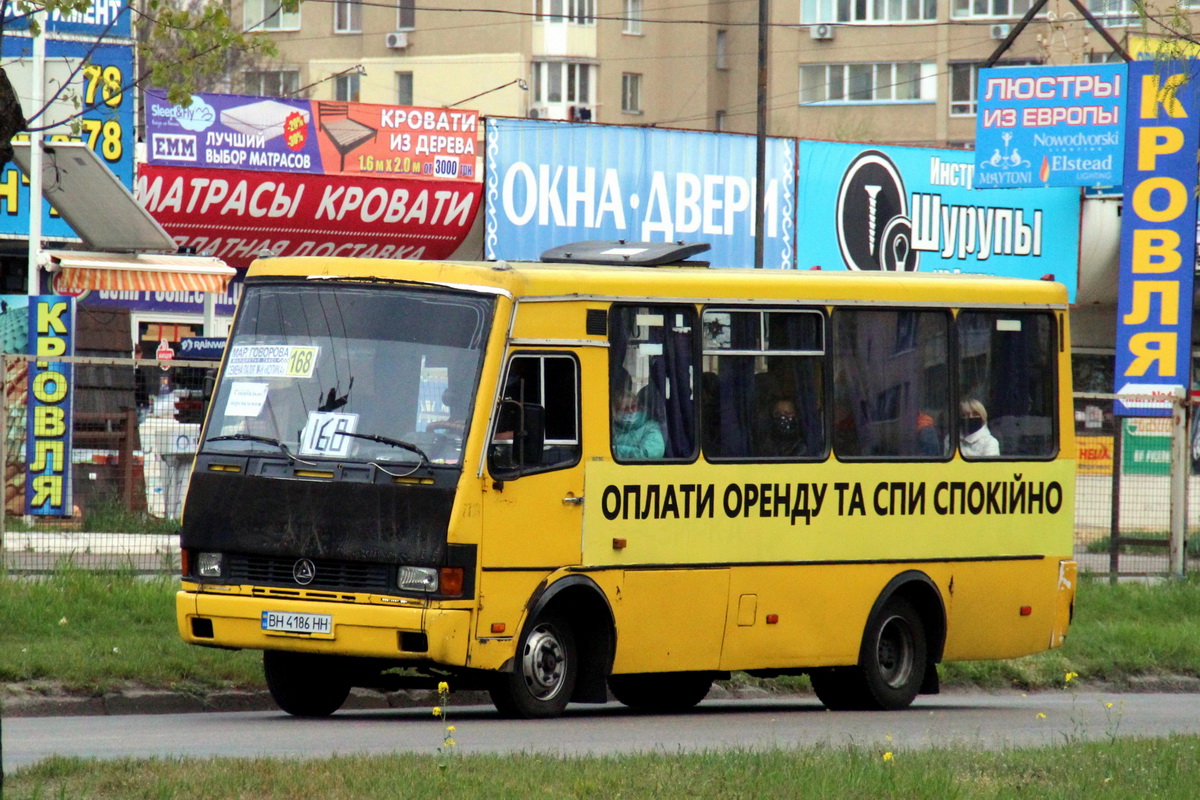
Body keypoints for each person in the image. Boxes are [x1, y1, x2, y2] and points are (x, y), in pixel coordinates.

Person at [611, 383, 665, 460]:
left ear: (640, 406)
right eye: (625, 409)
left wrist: (615, 450)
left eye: (633, 406)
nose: (631, 411)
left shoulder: (651, 427)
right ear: (616, 412)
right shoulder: (612, 430)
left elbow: (650, 453)